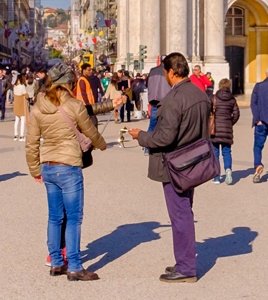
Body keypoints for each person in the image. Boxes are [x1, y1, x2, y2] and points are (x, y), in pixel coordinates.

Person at [125, 53, 212, 283]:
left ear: (172, 72)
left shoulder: (174, 99)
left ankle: (186, 268)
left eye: (165, 73)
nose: (165, 76)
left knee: (180, 215)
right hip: (195, 161)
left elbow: (164, 138)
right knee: (185, 210)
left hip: (175, 164)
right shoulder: (199, 93)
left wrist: (140, 136)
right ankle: (184, 260)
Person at [25, 63, 108, 281]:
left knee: (54, 217)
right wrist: (102, 144)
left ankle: (56, 263)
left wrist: (35, 169)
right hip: (69, 166)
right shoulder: (73, 105)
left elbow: (31, 142)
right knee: (73, 218)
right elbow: (89, 131)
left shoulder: (37, 106)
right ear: (66, 83)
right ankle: (74, 266)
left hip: (48, 165)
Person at [210, 77, 239, 184]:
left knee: (215, 153)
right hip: (227, 130)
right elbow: (236, 114)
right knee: (227, 152)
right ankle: (228, 170)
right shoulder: (232, 99)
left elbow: (208, 111)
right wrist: (230, 123)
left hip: (215, 130)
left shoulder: (214, 98)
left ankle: (217, 177)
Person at [12, 72, 32, 139]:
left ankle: (15, 135)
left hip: (16, 105)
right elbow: (26, 95)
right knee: (22, 121)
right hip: (22, 105)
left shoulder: (15, 86)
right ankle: (21, 135)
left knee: (16, 121)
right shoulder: (22, 86)